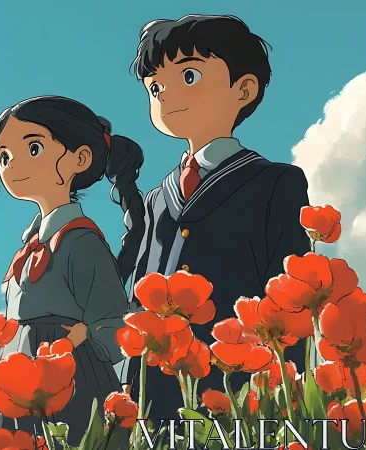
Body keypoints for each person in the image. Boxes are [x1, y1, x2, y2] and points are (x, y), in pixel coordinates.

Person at [121, 14, 310, 423]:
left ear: (243, 89)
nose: (167, 95)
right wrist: (129, 374)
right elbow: (141, 285)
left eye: (189, 76)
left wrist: (285, 378)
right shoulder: (157, 198)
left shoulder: (275, 182)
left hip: (235, 373)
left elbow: (289, 292)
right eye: (156, 86)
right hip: (158, 379)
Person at [0, 95, 145, 446]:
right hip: (18, 373)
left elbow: (114, 322)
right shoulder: (30, 245)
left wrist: (75, 341)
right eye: (4, 157)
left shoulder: (81, 240)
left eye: (35, 148)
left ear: (80, 158)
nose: (12, 166)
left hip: (69, 377)